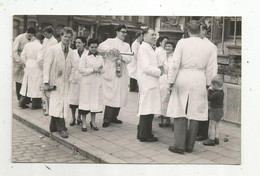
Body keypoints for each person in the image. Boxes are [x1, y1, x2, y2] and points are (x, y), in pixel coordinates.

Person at [166, 20, 216, 154]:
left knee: (180, 109)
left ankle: (179, 145)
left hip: (183, 76)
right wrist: (207, 83)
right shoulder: (210, 46)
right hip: (199, 78)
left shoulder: (183, 43)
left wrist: (170, 81)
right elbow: (211, 68)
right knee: (195, 112)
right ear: (200, 30)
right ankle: (189, 145)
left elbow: (175, 63)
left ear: (188, 31)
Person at [98, 24, 132, 128]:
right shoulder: (110, 41)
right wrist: (111, 49)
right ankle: (107, 119)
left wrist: (121, 57)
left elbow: (129, 58)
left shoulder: (126, 45)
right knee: (111, 95)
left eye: (125, 32)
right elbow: (100, 47)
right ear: (117, 32)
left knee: (120, 95)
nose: (124, 34)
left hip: (121, 71)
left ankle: (114, 117)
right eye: (122, 32)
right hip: (112, 71)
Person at [43, 27, 75, 138]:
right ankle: (62, 128)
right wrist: (46, 82)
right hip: (54, 82)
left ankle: (53, 126)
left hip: (65, 82)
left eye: (69, 37)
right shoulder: (53, 49)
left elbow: (73, 67)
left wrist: (71, 78)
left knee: (61, 103)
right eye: (65, 36)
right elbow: (46, 65)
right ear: (61, 36)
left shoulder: (71, 51)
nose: (67, 39)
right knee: (57, 103)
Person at [136, 28, 163, 142]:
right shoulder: (143, 48)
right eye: (152, 35)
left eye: (155, 35)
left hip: (151, 82)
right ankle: (143, 135)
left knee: (150, 108)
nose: (154, 37)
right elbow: (146, 67)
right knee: (146, 109)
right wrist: (159, 71)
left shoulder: (149, 48)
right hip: (148, 82)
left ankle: (146, 133)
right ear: (144, 36)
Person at [196, 22, 218, 141]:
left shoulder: (210, 46)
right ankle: (194, 130)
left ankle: (202, 132)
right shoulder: (193, 43)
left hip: (205, 80)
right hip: (194, 79)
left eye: (199, 30)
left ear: (205, 31)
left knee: (203, 106)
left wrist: (210, 84)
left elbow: (213, 66)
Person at [78, 38, 104, 132]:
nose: (93, 49)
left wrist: (101, 69)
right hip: (87, 83)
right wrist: (92, 70)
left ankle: (93, 122)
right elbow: (80, 69)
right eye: (92, 47)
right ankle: (84, 122)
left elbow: (103, 69)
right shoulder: (84, 56)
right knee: (85, 103)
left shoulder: (99, 57)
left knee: (94, 103)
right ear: (88, 47)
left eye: (95, 47)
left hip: (96, 83)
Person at [19, 33, 45, 109]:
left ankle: (22, 102)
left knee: (26, 84)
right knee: (36, 85)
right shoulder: (41, 46)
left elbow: (22, 56)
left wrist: (26, 63)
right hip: (36, 66)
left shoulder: (28, 45)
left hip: (28, 65)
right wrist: (43, 67)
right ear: (42, 40)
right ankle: (35, 104)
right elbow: (40, 59)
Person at [68, 37, 88, 126]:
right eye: (76, 42)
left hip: (84, 79)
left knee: (81, 100)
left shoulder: (87, 53)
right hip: (74, 79)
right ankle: (73, 117)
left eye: (79, 42)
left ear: (84, 43)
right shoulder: (72, 53)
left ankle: (79, 117)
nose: (77, 44)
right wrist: (70, 77)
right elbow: (69, 65)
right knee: (73, 100)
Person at [13, 27, 36, 102]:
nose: (30, 37)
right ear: (26, 32)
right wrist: (19, 60)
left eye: (32, 35)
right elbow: (14, 51)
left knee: (27, 80)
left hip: (28, 61)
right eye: (29, 35)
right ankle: (19, 98)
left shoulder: (34, 39)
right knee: (19, 80)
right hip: (19, 60)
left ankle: (26, 98)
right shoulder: (19, 38)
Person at [40, 25, 58, 115]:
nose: (45, 35)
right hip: (44, 63)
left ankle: (51, 108)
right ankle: (45, 107)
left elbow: (53, 55)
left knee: (50, 88)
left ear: (51, 33)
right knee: (43, 89)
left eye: (46, 34)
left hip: (51, 65)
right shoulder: (45, 40)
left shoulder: (54, 42)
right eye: (44, 34)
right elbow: (43, 51)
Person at [203, 76, 224, 146]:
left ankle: (211, 139)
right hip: (220, 111)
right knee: (217, 125)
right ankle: (216, 138)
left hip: (215, 110)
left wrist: (209, 90)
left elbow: (209, 98)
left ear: (215, 85)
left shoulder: (216, 93)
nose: (211, 86)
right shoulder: (221, 92)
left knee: (212, 125)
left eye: (212, 85)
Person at [159, 41, 175, 128]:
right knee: (161, 98)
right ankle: (162, 118)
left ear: (173, 48)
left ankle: (168, 118)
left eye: (169, 46)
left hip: (170, 78)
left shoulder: (174, 56)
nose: (167, 48)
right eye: (166, 46)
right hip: (162, 78)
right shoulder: (162, 54)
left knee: (168, 99)